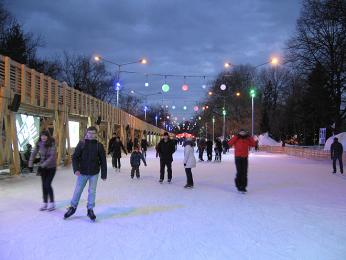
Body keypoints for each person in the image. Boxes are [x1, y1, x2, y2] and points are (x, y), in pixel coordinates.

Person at [64, 126, 107, 221]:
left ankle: (90, 209)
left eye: (93, 134)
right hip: (82, 172)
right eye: (90, 133)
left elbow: (103, 161)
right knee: (78, 190)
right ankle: (73, 207)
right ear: (86, 134)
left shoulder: (98, 146)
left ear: (96, 135)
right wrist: (76, 169)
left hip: (94, 173)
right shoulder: (81, 144)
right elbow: (75, 157)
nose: (91, 135)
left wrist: (104, 174)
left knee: (92, 191)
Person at [29, 130, 57, 211]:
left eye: (45, 136)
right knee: (44, 185)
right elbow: (33, 153)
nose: (43, 137)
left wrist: (42, 165)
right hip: (43, 168)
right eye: (42, 136)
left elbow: (52, 157)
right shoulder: (39, 144)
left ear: (48, 136)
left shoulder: (52, 144)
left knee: (47, 184)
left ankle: (52, 203)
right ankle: (45, 203)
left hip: (51, 168)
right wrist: (30, 164)